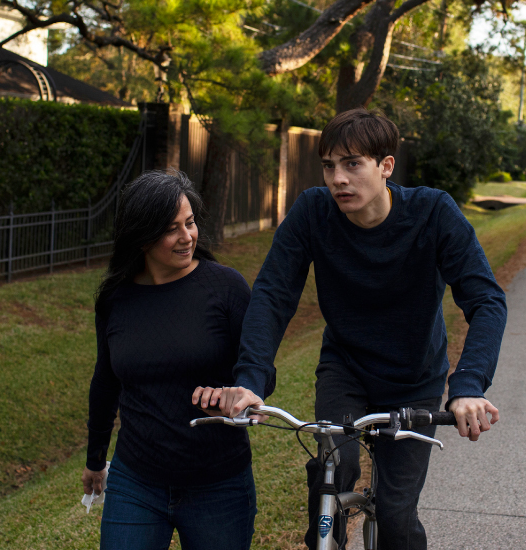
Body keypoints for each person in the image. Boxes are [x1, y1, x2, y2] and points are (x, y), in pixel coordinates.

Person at [211, 109, 508, 549]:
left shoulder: (432, 213)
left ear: (386, 166)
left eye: (352, 164)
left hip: (415, 377)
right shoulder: (313, 212)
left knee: (395, 513)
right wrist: (251, 379)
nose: (337, 179)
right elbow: (273, 295)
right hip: (345, 370)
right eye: (329, 165)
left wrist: (467, 385)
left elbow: (486, 300)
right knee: (335, 471)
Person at [82, 170, 256, 549]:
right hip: (136, 480)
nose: (187, 237)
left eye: (190, 223)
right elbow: (106, 380)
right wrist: (95, 459)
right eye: (172, 229)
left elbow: (257, 366)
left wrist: (245, 392)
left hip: (219, 484)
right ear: (141, 235)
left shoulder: (225, 287)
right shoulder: (115, 299)